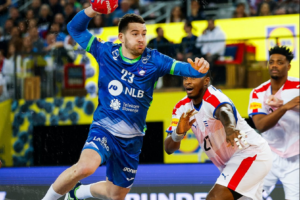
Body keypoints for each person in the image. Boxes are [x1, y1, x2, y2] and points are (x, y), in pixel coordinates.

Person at [41, 6, 209, 200]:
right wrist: (94, 9)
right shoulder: (105, 52)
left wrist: (200, 68)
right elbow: (74, 29)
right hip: (104, 128)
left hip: (132, 139)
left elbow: (188, 70)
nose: (141, 39)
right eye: (135, 34)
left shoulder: (154, 59)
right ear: (121, 37)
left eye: (144, 34)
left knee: (116, 195)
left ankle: (79, 192)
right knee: (85, 167)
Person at [165, 72, 273, 200]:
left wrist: (230, 128)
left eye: (193, 78)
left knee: (215, 198)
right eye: (185, 78)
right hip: (231, 164)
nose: (187, 82)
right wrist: (178, 133)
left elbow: (225, 111)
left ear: (206, 81)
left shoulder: (214, 97)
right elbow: (168, 149)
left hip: (250, 154)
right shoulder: (181, 108)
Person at [248, 46, 299, 200]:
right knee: (247, 196)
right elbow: (261, 125)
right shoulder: (258, 92)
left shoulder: (298, 86)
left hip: (296, 159)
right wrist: (285, 107)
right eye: (271, 62)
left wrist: (292, 105)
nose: (274, 65)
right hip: (269, 156)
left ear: (288, 66)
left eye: (280, 62)